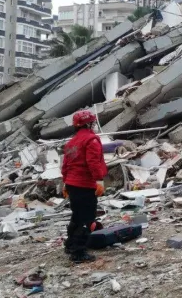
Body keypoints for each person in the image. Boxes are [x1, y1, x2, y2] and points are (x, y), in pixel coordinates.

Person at [61, 110, 108, 263]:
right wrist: (99, 180)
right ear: (88, 124)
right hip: (85, 184)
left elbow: (66, 165)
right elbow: (93, 163)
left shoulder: (71, 143)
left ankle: (70, 244)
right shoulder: (91, 140)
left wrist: (65, 183)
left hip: (72, 184)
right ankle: (78, 252)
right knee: (87, 219)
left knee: (76, 216)